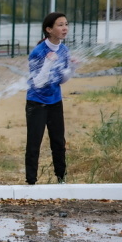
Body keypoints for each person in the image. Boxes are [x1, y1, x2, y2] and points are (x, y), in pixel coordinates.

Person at [25, 12, 73, 185]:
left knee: (59, 142)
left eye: (66, 24)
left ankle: (61, 179)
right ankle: (31, 181)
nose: (64, 28)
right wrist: (48, 63)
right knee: (34, 143)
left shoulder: (64, 50)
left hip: (55, 101)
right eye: (60, 25)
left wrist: (71, 68)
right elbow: (37, 82)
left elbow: (62, 80)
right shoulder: (38, 52)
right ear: (49, 29)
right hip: (36, 103)